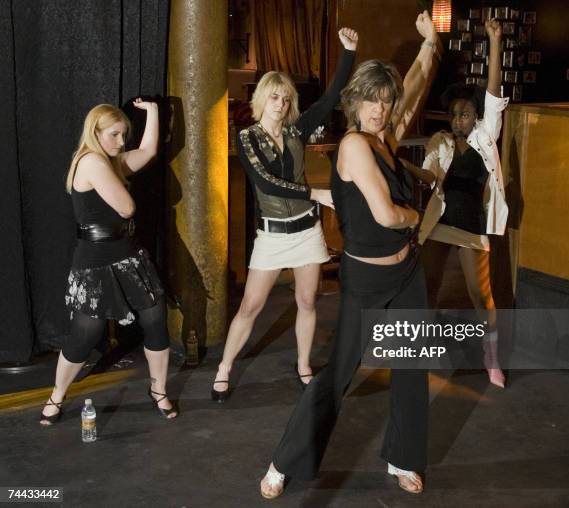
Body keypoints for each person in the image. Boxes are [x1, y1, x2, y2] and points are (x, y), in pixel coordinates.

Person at [259, 11, 441, 498]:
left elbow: (416, 88)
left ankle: (402, 460)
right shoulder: (356, 145)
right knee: (338, 375)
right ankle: (283, 462)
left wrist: (430, 43)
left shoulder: (386, 138)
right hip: (366, 278)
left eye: (386, 101)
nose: (379, 110)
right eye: (371, 101)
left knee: (410, 368)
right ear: (355, 102)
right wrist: (414, 216)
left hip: (406, 275)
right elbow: (385, 215)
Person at [211, 28, 359, 402]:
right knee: (251, 305)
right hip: (274, 235)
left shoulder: (296, 130)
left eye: (285, 97)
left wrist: (348, 53)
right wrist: (316, 193)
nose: (279, 103)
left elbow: (329, 100)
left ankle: (303, 365)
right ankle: (225, 367)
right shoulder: (247, 137)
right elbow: (269, 183)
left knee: (308, 301)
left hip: (307, 231)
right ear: (261, 100)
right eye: (273, 96)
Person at [39, 99, 177, 425]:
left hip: (127, 254)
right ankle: (56, 396)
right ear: (96, 133)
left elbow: (148, 152)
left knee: (155, 318)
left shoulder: (110, 161)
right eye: (114, 135)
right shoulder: (90, 162)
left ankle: (159, 391)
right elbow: (128, 208)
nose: (121, 142)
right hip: (96, 259)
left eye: (123, 135)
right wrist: (121, 176)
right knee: (86, 333)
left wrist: (153, 113)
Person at [417, 19, 508, 388]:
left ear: (476, 116)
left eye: (465, 113)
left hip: (471, 226)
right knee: (428, 286)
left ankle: (491, 357)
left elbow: (493, 92)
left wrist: (495, 42)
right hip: (439, 223)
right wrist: (401, 164)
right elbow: (428, 178)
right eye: (454, 114)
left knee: (479, 294)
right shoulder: (439, 141)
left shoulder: (487, 137)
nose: (458, 120)